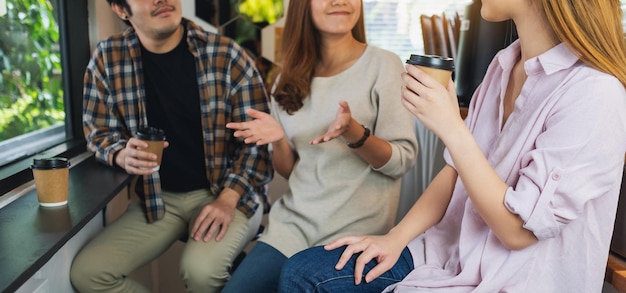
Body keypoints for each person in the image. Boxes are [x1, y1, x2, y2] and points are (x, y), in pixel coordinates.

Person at [278, 0, 626, 292]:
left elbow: (518, 232)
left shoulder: (595, 93)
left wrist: (450, 127)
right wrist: (394, 238)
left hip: (516, 278)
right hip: (445, 253)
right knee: (301, 272)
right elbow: (453, 173)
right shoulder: (504, 66)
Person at [69, 0, 273, 292]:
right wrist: (120, 154)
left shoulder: (226, 55)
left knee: (200, 271)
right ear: (121, 9)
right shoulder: (108, 57)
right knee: (89, 273)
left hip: (229, 192)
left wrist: (227, 200)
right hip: (158, 198)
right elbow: (99, 132)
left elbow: (258, 145)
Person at [221, 0, 419, 292]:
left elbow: (402, 161)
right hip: (290, 229)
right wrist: (278, 140)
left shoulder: (384, 65)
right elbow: (291, 171)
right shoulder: (286, 80)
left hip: (351, 235)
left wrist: (354, 133)